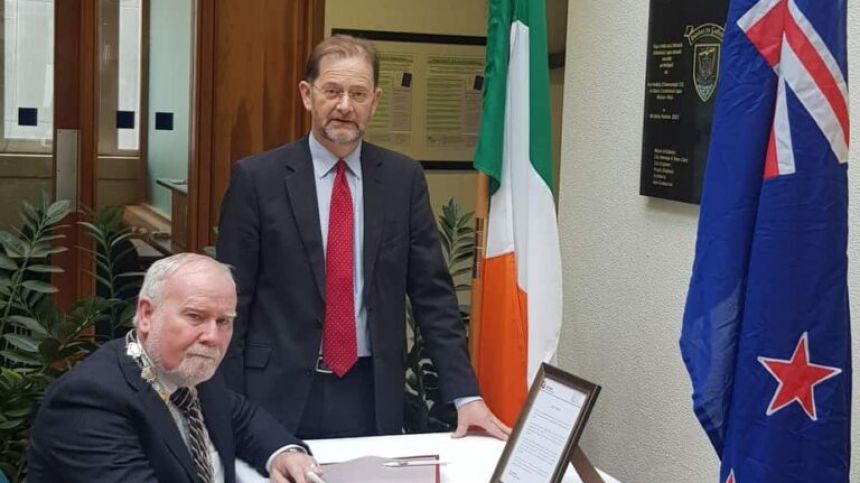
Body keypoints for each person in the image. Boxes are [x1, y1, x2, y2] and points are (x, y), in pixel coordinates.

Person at [216, 34, 510, 440]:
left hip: (370, 394)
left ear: (375, 100)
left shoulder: (402, 179)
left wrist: (465, 396)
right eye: (332, 91)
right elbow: (231, 303)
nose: (344, 106)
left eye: (358, 94)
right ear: (307, 94)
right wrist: (229, 407)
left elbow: (432, 296)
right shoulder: (257, 179)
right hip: (274, 396)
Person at [27, 253, 322, 483]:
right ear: (146, 314)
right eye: (195, 316)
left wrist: (285, 454)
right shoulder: (88, 400)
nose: (212, 337)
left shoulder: (189, 368)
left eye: (224, 321)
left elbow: (242, 419)